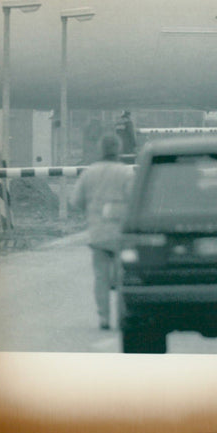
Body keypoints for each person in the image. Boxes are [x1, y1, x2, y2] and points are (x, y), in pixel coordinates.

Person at [70, 133, 133, 329]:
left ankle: (104, 318)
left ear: (100, 149)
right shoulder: (127, 173)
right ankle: (123, 315)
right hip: (121, 235)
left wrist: (92, 211)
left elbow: (76, 202)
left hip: (98, 234)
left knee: (100, 278)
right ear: (119, 149)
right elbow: (135, 200)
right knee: (124, 278)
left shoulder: (89, 173)